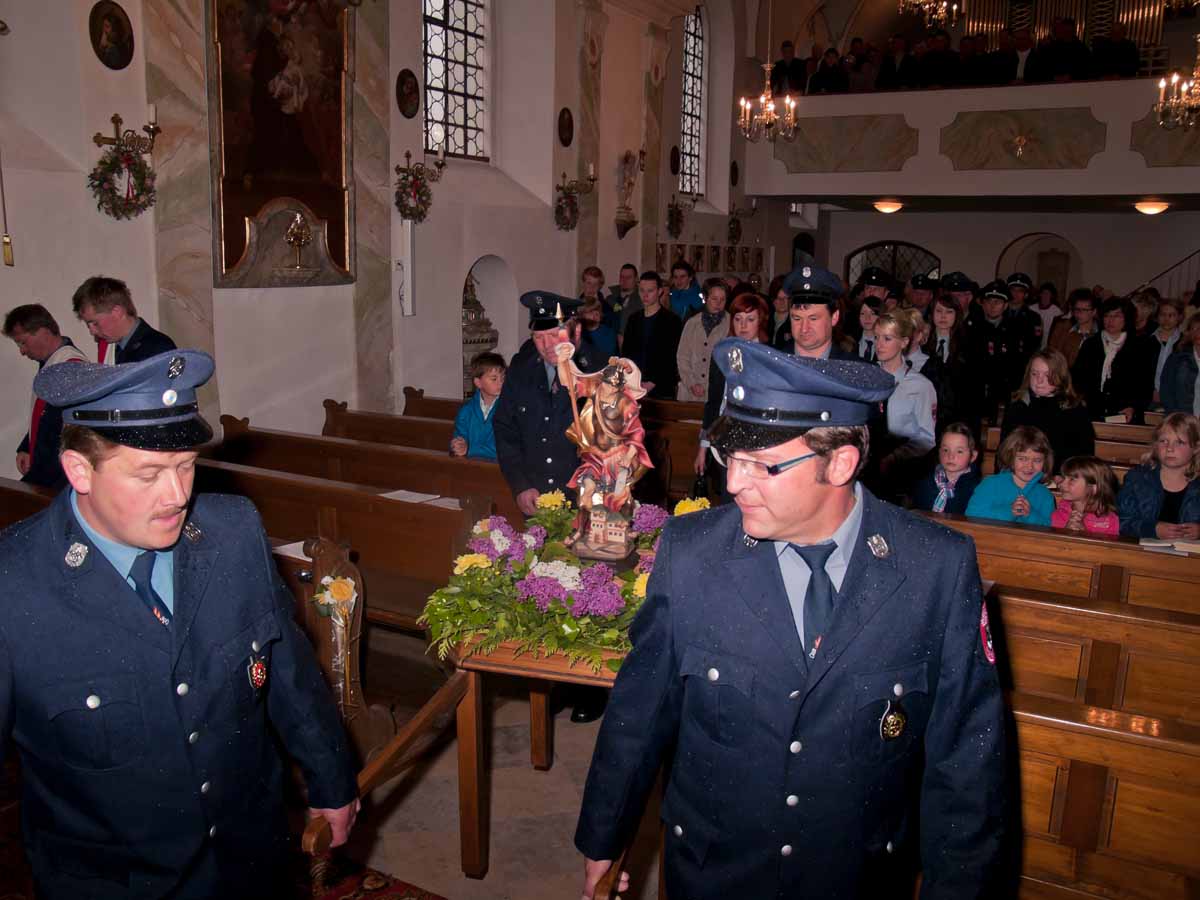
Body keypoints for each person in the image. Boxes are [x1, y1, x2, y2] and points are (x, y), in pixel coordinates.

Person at [575, 339, 1008, 900]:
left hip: (854, 880)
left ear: (840, 462)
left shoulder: (935, 569)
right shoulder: (692, 553)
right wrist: (605, 838)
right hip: (714, 872)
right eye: (731, 458)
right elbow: (640, 711)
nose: (734, 483)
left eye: (762, 465)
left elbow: (967, 764)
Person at [0, 350, 358, 898]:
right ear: (79, 470)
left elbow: (287, 666)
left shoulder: (232, 531)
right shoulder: (14, 585)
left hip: (252, 860)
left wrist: (331, 780)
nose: (177, 495)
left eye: (186, 465)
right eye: (148, 474)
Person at [493, 291, 586, 518]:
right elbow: (505, 429)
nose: (546, 345)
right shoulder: (521, 370)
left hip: (584, 498)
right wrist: (520, 485)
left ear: (574, 331)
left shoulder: (597, 370)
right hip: (536, 497)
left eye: (554, 334)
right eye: (538, 337)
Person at [3, 303, 87, 488]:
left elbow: (68, 436)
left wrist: (39, 480)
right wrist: (27, 447)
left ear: (42, 332)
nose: (22, 351)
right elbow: (45, 417)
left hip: (58, 479)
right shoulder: (52, 364)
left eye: (23, 342)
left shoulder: (70, 367)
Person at [695, 291, 770, 491]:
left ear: (760, 321)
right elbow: (713, 401)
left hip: (757, 441)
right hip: (724, 438)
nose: (743, 325)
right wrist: (703, 447)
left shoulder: (769, 357)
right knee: (726, 493)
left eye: (750, 319)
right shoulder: (722, 353)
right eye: (738, 319)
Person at [1001, 349, 1095, 475]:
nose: (1039, 380)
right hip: (1018, 477)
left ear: (1060, 377)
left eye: (1047, 375)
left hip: (1060, 478)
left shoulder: (1075, 410)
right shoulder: (1018, 406)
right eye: (1034, 374)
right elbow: (1004, 452)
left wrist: (1061, 477)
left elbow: (1083, 458)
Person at [871, 311, 937, 489]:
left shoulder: (920, 386)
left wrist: (894, 457)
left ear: (904, 342)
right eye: (876, 337)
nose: (879, 344)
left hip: (903, 471)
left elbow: (926, 439)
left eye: (887, 338)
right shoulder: (866, 378)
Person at [1117, 412, 1200, 539]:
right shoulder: (1137, 478)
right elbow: (1121, 522)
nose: (1169, 448)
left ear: (1196, 448)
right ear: (1156, 445)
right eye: (1163, 441)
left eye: (1179, 442)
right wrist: (1152, 530)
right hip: (1143, 549)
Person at [1071, 297, 1153, 423]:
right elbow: (1077, 377)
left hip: (1124, 413)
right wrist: (1081, 399)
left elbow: (1145, 384)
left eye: (1117, 316)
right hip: (1092, 410)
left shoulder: (1140, 346)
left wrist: (1134, 407)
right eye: (1107, 315)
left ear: (1126, 318)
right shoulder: (1091, 344)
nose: (1111, 320)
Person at [72, 276, 176, 365]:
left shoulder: (159, 348)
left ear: (117, 312)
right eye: (88, 325)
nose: (92, 332)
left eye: (95, 323)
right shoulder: (110, 346)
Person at [965, 425, 1056, 525]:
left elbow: (1049, 527)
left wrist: (1029, 515)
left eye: (1037, 460)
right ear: (1010, 457)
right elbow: (971, 516)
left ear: (1045, 462)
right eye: (1022, 459)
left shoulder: (1046, 496)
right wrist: (1009, 511)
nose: (1030, 466)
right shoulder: (990, 484)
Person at [778, 264, 859, 361]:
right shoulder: (772, 364)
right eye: (797, 318)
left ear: (834, 317)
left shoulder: (853, 367)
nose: (804, 328)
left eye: (813, 319)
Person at [623, 270, 683, 400]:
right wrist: (630, 380)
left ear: (660, 291)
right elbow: (627, 353)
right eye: (642, 291)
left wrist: (652, 383)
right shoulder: (633, 319)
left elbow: (672, 356)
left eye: (650, 291)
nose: (645, 295)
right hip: (634, 385)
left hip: (662, 387)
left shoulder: (672, 320)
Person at [675, 279, 727, 401]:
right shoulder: (692, 323)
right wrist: (691, 383)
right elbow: (682, 356)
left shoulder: (730, 323)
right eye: (714, 299)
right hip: (690, 391)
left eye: (722, 299)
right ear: (705, 298)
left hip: (716, 391)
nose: (718, 303)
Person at [913, 423, 982, 514]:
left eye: (959, 451)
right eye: (945, 450)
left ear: (973, 456)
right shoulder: (925, 483)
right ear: (939, 452)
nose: (950, 456)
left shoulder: (976, 489)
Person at [451, 351, 506, 461]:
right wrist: (458, 446)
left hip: (500, 468)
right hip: (471, 467)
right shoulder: (466, 411)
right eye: (494, 379)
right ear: (478, 383)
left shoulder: (508, 409)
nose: (501, 382)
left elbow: (506, 448)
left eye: (503, 378)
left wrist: (470, 449)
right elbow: (459, 439)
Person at [1052, 456, 1121, 535]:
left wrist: (1084, 533)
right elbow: (1051, 540)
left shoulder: (1108, 520)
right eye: (1063, 477)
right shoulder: (1061, 510)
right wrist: (1065, 531)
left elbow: (1109, 542)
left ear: (1094, 488)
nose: (1061, 484)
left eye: (1072, 479)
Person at [1160, 311, 1200, 414]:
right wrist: (1177, 416)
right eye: (1194, 329)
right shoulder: (1178, 358)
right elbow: (1166, 391)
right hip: (1183, 416)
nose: (1197, 333)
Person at [1048, 288, 1099, 367]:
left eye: (1084, 310)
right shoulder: (1062, 328)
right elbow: (1051, 355)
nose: (1079, 313)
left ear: (1094, 312)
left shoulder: (1100, 333)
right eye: (1076, 309)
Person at [1150, 297, 1184, 405]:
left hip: (1175, 398)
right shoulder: (1147, 341)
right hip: (1148, 396)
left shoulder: (1185, 343)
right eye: (1162, 314)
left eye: (1171, 315)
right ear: (1157, 317)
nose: (1166, 319)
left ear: (1179, 317)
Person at [577, 296, 619, 371]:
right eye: (590, 311)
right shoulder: (578, 333)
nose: (595, 313)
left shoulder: (608, 332)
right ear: (582, 315)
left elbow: (607, 359)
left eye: (597, 310)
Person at [608, 263, 643, 342]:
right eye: (622, 277)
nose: (624, 280)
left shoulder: (642, 300)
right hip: (610, 343)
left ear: (636, 279)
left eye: (628, 277)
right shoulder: (610, 299)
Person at [1032, 282, 1063, 349]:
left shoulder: (1056, 311)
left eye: (1048, 294)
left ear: (1051, 296)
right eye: (1043, 293)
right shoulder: (1032, 308)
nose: (1045, 296)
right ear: (1040, 294)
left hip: (1048, 345)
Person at [767, 274, 791, 348]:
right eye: (778, 298)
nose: (782, 302)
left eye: (785, 298)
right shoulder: (765, 320)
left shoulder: (796, 322)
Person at [856, 294, 881, 361]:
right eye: (863, 313)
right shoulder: (850, 342)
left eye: (872, 313)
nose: (867, 318)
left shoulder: (886, 344)